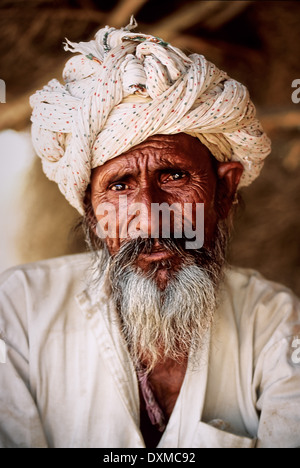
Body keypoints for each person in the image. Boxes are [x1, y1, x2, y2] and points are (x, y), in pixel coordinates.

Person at [0, 18, 299, 449]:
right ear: (90, 211)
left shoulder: (274, 325)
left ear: (225, 190)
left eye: (175, 176)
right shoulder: (19, 312)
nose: (151, 219)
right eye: (119, 186)